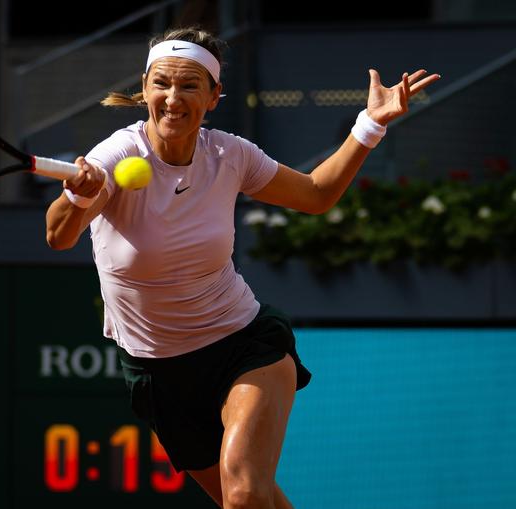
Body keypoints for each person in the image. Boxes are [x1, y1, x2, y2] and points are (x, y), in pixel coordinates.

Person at [45, 27, 440, 509]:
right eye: (161, 83)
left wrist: (369, 125)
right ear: (145, 88)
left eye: (189, 86)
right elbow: (59, 236)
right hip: (157, 371)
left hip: (241, 343)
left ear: (214, 97)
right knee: (259, 501)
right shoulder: (115, 156)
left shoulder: (229, 155)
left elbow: (316, 194)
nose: (173, 98)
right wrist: (77, 197)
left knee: (245, 494)